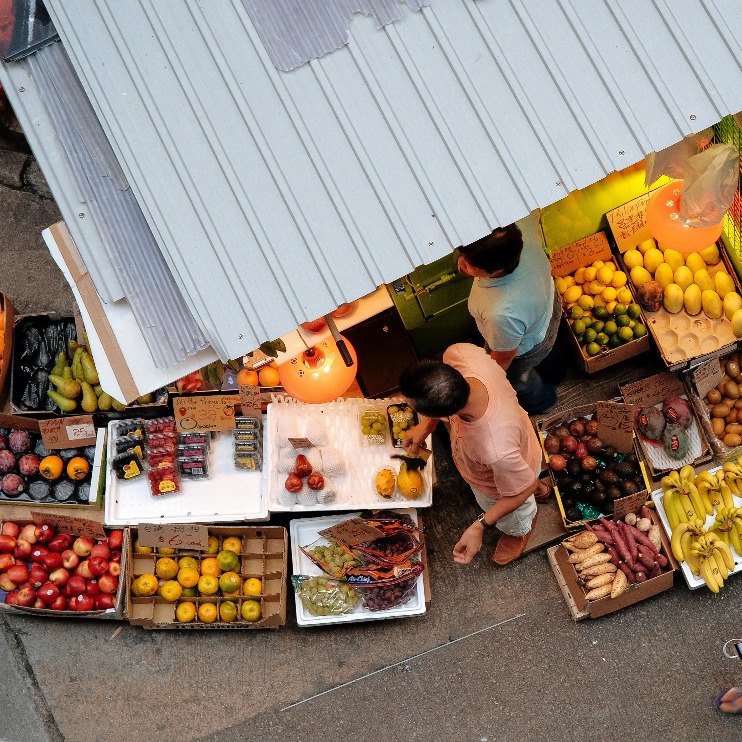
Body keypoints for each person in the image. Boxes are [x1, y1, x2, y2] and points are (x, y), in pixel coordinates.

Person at [399, 343, 550, 566]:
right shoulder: (459, 354)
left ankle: (519, 531)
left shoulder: (494, 449)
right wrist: (426, 427)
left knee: (518, 509)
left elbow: (522, 488)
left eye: (413, 407)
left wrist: (479, 525)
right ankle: (542, 489)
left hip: (503, 480)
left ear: (443, 415)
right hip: (518, 447)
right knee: (523, 476)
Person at [457, 211, 564, 414]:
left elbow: (505, 356)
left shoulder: (501, 313)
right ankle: (558, 374)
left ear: (495, 271)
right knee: (548, 348)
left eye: (470, 264)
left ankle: (544, 401)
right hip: (548, 307)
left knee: (520, 378)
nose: (462, 263)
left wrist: (489, 383)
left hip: (523, 346)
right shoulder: (517, 223)